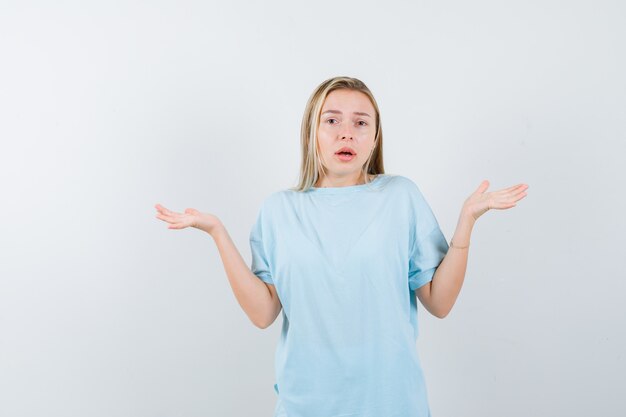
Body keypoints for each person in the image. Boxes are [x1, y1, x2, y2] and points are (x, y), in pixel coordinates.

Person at [154, 76, 528, 417]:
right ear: (311, 132)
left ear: (375, 137)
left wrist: (466, 223)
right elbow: (263, 313)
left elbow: (440, 302)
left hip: (392, 404)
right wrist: (218, 232)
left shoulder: (401, 197)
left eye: (361, 123)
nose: (346, 133)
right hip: (306, 406)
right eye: (332, 120)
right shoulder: (279, 210)